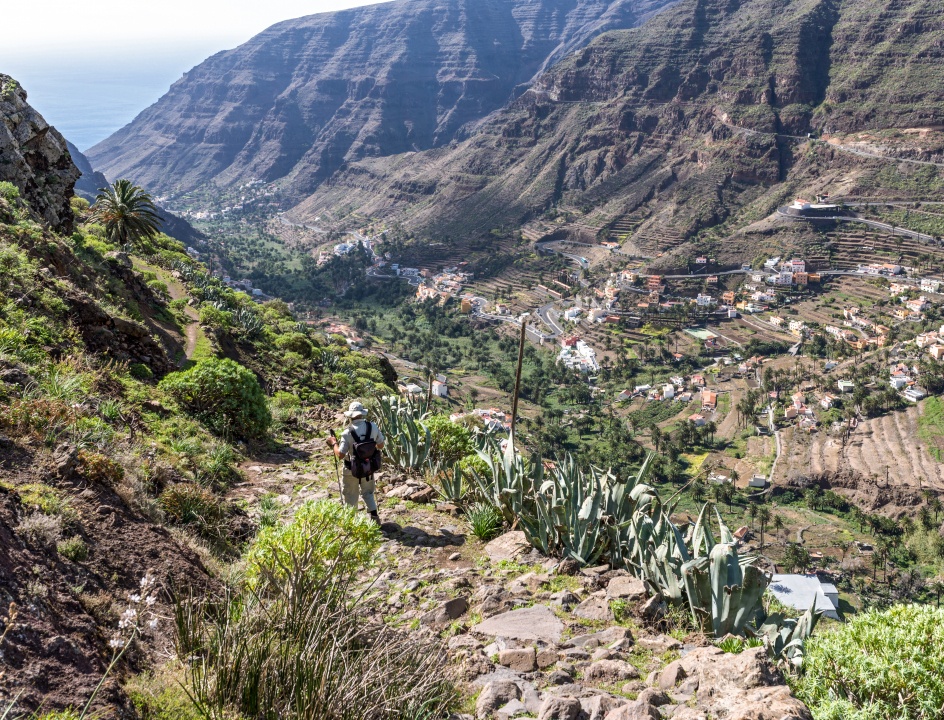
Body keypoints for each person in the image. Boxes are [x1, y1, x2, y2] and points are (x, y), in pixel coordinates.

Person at [327, 401, 384, 524]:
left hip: (351, 469)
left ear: (350, 416)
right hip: (368, 466)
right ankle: (375, 519)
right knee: (368, 492)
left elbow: (340, 455)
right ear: (362, 414)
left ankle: (351, 523)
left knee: (350, 494)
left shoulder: (347, 433)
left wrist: (333, 444)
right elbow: (381, 445)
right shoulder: (373, 427)